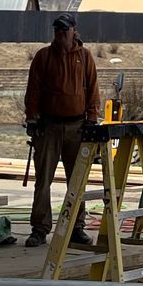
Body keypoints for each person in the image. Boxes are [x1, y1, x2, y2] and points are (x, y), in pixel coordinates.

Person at [23, 13, 99, 248]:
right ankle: (40, 229)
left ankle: (76, 227)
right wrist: (32, 119)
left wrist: (92, 119)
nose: (60, 34)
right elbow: (33, 90)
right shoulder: (43, 56)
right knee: (43, 181)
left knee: (76, 181)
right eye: (57, 30)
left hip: (77, 128)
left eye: (64, 30)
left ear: (74, 30)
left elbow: (93, 89)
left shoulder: (85, 57)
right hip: (49, 127)